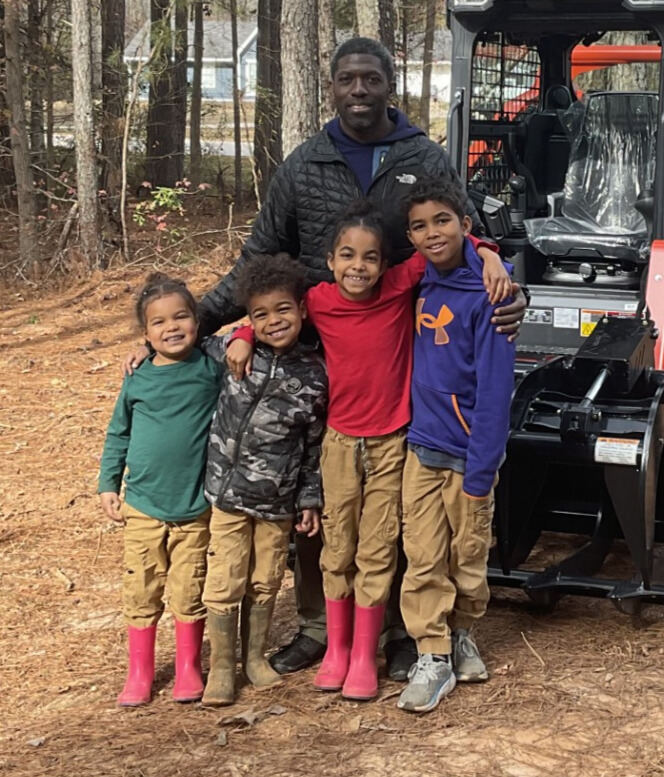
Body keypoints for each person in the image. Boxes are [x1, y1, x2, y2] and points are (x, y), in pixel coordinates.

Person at [188, 35, 525, 680]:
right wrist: (216, 324)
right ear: (332, 87)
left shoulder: (421, 156)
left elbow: (471, 233)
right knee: (319, 505)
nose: (360, 90)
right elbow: (258, 262)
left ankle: (402, 630)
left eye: (372, 78)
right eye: (348, 79)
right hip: (317, 360)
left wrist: (505, 279)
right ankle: (320, 627)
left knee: (393, 513)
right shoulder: (303, 164)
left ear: (389, 85)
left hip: (404, 349)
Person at [293, 203, 511, 701]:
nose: (358, 266)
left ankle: (395, 649)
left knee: (392, 548)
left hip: (396, 441)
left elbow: (447, 246)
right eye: (346, 256)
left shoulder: (401, 285)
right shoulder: (319, 300)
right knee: (347, 548)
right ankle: (342, 651)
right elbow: (274, 315)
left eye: (371, 257)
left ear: (387, 262)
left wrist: (492, 255)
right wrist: (241, 333)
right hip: (346, 442)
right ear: (329, 260)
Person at [395, 178, 517, 714]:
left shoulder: (491, 296)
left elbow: (495, 389)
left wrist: (482, 469)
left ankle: (463, 631)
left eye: (442, 221)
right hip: (423, 447)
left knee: (468, 555)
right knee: (422, 557)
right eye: (419, 226)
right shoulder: (419, 278)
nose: (431, 233)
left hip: (471, 455)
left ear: (465, 225)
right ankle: (433, 653)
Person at [199, 256, 327, 707]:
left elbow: (314, 446)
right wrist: (241, 335)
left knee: (265, 581)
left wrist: (309, 496)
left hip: (278, 503)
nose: (274, 321)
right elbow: (186, 337)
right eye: (260, 315)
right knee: (225, 579)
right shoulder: (233, 352)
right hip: (228, 495)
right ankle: (221, 667)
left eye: (283, 310)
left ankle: (254, 658)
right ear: (249, 318)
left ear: (302, 309)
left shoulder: (314, 375)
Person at [98, 275, 225, 707]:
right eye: (158, 323)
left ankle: (189, 666)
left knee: (189, 588)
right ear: (145, 334)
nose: (171, 327)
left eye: (181, 317)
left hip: (194, 506)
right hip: (143, 505)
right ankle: (141, 671)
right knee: (142, 587)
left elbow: (246, 336)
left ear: (197, 321)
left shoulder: (211, 369)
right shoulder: (139, 379)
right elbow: (119, 433)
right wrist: (108, 484)